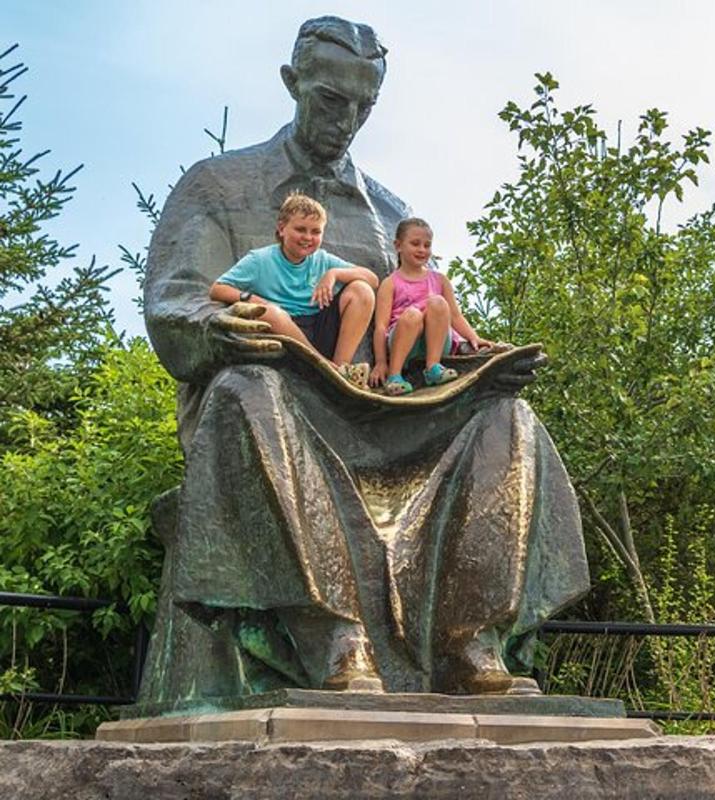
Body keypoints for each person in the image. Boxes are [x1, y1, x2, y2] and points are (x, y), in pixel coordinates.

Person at [140, 16, 590, 700]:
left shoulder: (388, 212)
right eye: (329, 100)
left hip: (377, 408)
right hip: (277, 401)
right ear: (293, 84)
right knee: (250, 386)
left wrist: (475, 361)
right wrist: (225, 327)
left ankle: (469, 643)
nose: (345, 120)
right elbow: (174, 300)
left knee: (506, 414)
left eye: (363, 106)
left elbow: (410, 327)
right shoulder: (218, 186)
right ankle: (333, 638)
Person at [209, 192, 378, 387]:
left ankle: (342, 369)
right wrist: (251, 298)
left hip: (319, 325)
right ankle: (326, 368)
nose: (308, 237)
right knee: (271, 313)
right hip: (286, 334)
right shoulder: (259, 260)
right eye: (300, 229)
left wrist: (334, 274)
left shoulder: (323, 260)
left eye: (316, 232)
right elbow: (217, 288)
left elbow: (372, 280)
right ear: (281, 228)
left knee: (362, 290)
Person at [369, 218, 492, 395]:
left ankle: (433, 367)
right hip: (403, 342)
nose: (422, 250)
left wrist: (474, 337)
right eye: (415, 244)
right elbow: (381, 326)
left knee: (438, 303)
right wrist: (381, 362)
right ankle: (394, 376)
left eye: (427, 245)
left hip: (437, 342)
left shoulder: (440, 280)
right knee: (412, 315)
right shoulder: (390, 284)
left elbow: (456, 317)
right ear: (398, 245)